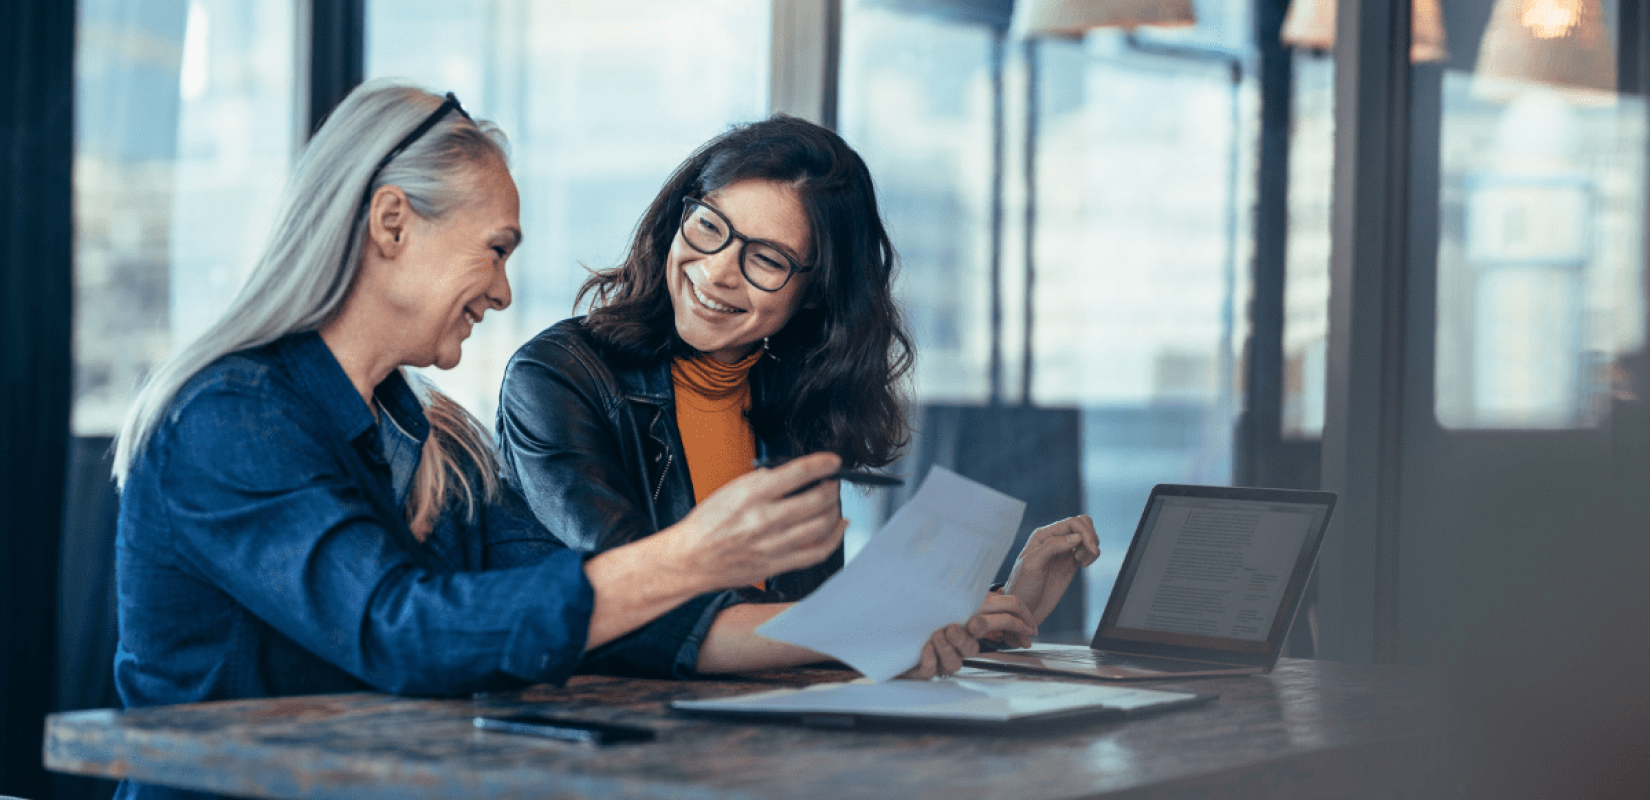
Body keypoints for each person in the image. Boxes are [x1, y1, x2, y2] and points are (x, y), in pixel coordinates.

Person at [110, 82, 1014, 800]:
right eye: (495, 249)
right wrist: (697, 554)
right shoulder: (227, 419)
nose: (504, 293)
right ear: (392, 224)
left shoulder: (432, 438)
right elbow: (403, 633)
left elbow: (592, 624)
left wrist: (895, 622)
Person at [496, 115, 1099, 669]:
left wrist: (994, 609)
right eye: (709, 226)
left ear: (813, 292)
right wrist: (885, 625)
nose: (717, 270)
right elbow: (640, 607)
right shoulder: (557, 376)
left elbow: (807, 622)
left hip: (759, 738)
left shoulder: (795, 401)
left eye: (768, 258)